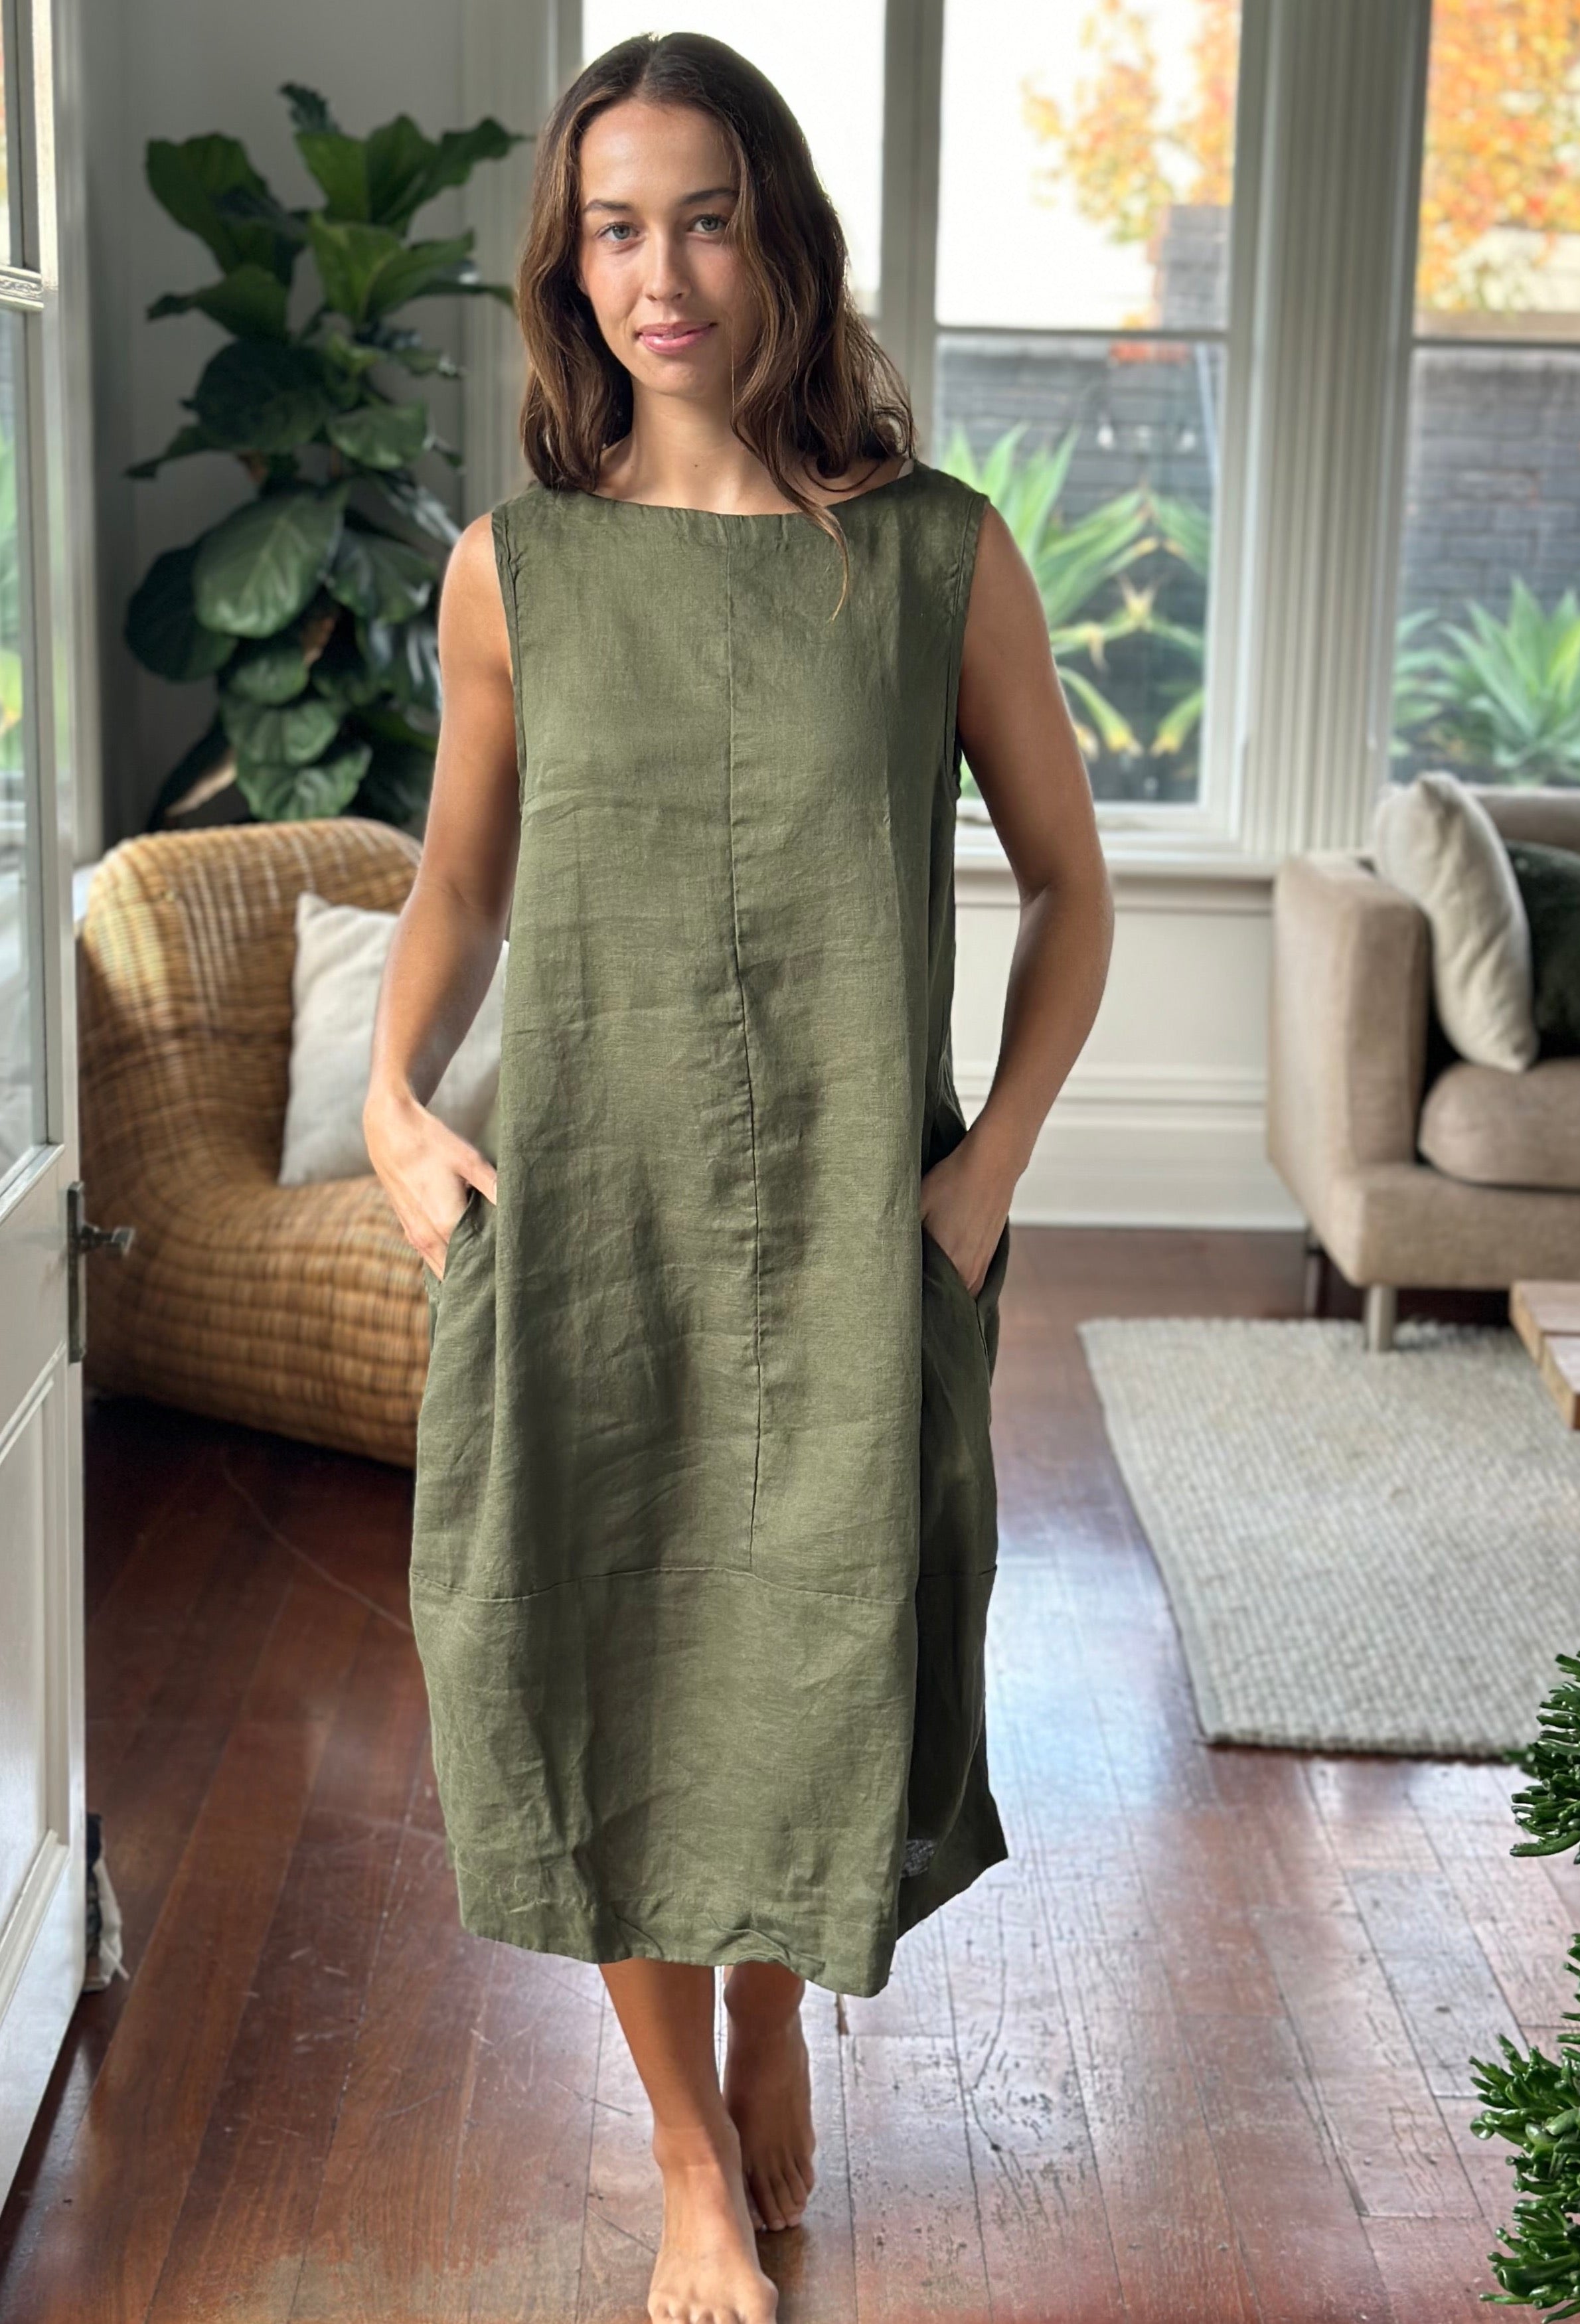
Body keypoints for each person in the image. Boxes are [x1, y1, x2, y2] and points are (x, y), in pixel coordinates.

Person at [363, 31, 1112, 2324]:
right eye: (614, 229)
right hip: (585, 1226)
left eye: (703, 218)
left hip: (854, 1232)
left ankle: (773, 2011)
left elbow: (1072, 892)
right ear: (565, 268)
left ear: (781, 237)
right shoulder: (515, 571)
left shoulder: (934, 557)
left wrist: (984, 1178)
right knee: (589, 1655)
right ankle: (687, 2152)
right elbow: (459, 883)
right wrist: (395, 1103)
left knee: (825, 1657)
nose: (661, 274)